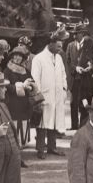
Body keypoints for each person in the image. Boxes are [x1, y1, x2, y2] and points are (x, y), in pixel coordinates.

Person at [31, 29, 68, 159]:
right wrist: (38, 98)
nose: (60, 49)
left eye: (61, 47)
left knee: (53, 121)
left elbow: (63, 74)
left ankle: (52, 147)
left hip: (57, 95)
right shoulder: (38, 59)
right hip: (44, 96)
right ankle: (40, 149)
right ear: (50, 44)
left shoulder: (58, 58)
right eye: (58, 46)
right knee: (42, 123)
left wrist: (64, 89)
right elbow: (35, 79)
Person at [65, 25, 93, 130]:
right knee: (73, 103)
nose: (74, 35)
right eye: (73, 33)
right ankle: (74, 126)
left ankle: (83, 126)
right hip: (74, 79)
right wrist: (75, 68)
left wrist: (90, 66)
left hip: (86, 78)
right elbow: (67, 62)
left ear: (82, 34)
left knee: (84, 102)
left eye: (76, 33)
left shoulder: (90, 44)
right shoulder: (70, 45)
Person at [3, 46, 35, 149]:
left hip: (24, 104)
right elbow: (6, 86)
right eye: (15, 55)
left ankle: (20, 146)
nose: (17, 58)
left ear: (23, 58)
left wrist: (29, 86)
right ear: (12, 57)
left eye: (20, 56)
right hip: (12, 103)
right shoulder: (7, 71)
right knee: (14, 125)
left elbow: (32, 83)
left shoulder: (26, 71)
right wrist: (21, 86)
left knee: (23, 124)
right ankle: (14, 148)